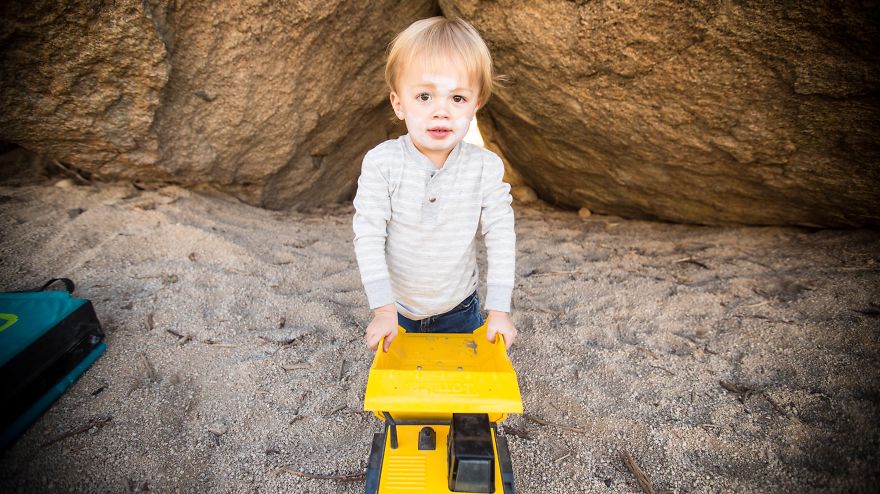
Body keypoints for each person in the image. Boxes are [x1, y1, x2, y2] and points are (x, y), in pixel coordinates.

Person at [352, 16, 517, 352]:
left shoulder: (485, 167)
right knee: (399, 402)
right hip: (398, 312)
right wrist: (383, 310)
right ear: (399, 104)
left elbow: (500, 236)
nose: (441, 111)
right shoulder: (382, 163)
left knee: (470, 400)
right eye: (425, 96)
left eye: (457, 98)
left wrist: (499, 310)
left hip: (460, 310)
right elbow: (368, 236)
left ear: (476, 105)